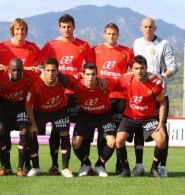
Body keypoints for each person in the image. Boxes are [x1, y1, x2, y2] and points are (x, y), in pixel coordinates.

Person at [33, 14, 94, 176]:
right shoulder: (50, 45)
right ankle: (54, 166)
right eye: (63, 27)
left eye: (69, 26)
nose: (66, 29)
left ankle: (84, 164)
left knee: (82, 129)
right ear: (59, 28)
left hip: (76, 94)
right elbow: (36, 64)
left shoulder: (83, 45)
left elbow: (91, 67)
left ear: (74, 27)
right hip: (55, 94)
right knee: (55, 131)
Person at [132, 17, 179, 177]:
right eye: (145, 26)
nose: (148, 29)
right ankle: (139, 166)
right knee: (138, 128)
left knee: (161, 130)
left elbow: (173, 67)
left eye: (151, 27)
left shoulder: (163, 44)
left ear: (155, 28)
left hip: (159, 95)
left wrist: (161, 77)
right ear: (141, 28)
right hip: (142, 95)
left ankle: (161, 167)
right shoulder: (137, 43)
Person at [0, 18, 40, 173]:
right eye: (17, 29)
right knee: (1, 131)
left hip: (23, 100)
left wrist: (32, 69)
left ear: (26, 31)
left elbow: (39, 67)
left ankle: (24, 166)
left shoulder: (33, 47)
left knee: (25, 131)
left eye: (23, 29)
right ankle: (5, 167)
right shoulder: (2, 46)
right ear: (12, 30)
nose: (20, 32)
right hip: (4, 98)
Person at [92, 22, 135, 175]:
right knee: (102, 133)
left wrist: (124, 77)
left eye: (114, 33)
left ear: (118, 35)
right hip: (102, 97)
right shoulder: (96, 50)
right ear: (105, 34)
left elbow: (136, 70)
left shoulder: (127, 51)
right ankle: (101, 165)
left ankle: (119, 165)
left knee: (118, 133)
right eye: (109, 33)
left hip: (121, 98)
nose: (111, 36)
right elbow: (88, 69)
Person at [116, 55, 166, 178]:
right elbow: (111, 83)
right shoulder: (125, 80)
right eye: (136, 68)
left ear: (146, 68)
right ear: (132, 69)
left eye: (142, 68)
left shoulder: (155, 83)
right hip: (129, 118)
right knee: (119, 140)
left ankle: (154, 168)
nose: (139, 71)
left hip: (148, 119)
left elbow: (162, 102)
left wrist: (160, 124)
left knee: (161, 140)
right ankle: (126, 170)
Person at [25, 57, 73, 178]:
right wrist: (33, 124)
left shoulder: (62, 81)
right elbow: (28, 105)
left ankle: (65, 168)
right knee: (32, 133)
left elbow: (73, 82)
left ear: (58, 71)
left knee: (63, 133)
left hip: (59, 110)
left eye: (53, 70)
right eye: (48, 70)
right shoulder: (36, 85)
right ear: (43, 70)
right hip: (40, 112)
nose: (50, 73)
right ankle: (36, 167)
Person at [67, 63, 118, 177]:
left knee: (112, 141)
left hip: (104, 115)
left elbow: (123, 79)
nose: (91, 77)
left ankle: (100, 165)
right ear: (83, 75)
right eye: (88, 74)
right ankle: (86, 164)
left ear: (97, 74)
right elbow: (63, 77)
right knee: (76, 142)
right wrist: (78, 75)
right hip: (85, 116)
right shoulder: (77, 85)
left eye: (93, 74)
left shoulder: (105, 83)